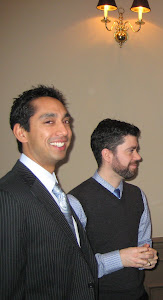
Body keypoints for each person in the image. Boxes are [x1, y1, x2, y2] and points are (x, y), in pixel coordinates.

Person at [0, 85, 98, 299]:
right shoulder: (8, 195)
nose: (64, 131)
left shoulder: (56, 194)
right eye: (49, 121)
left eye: (65, 121)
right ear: (21, 132)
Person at [69, 118, 158, 300]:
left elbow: (144, 241)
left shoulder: (137, 195)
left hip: (139, 295)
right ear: (108, 155)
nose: (138, 157)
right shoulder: (76, 201)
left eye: (137, 150)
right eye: (131, 151)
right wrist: (120, 258)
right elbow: (71, 265)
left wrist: (147, 257)